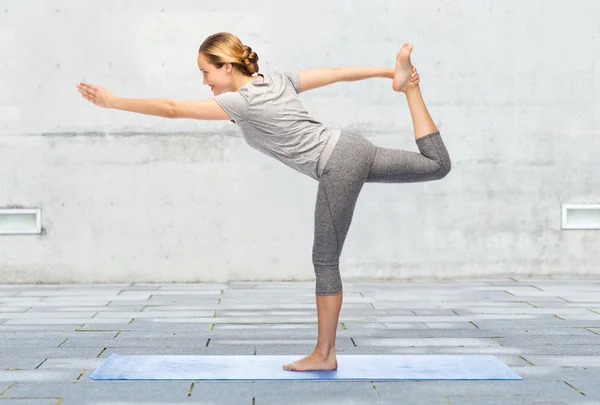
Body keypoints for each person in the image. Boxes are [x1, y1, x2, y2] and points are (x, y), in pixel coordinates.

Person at [77, 32, 451, 372]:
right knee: (435, 166)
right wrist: (391, 72)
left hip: (337, 163)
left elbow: (174, 108)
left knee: (324, 258)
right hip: (351, 148)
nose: (204, 82)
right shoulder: (276, 80)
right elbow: (338, 73)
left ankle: (324, 354)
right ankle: (411, 91)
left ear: (227, 67)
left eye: (206, 73)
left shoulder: (240, 102)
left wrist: (114, 102)